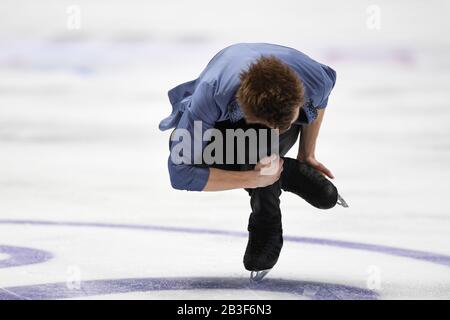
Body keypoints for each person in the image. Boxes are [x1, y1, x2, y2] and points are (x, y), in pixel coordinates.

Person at [159, 43, 345, 281]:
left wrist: (306, 153)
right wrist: (253, 179)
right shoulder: (211, 94)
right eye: (271, 125)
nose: (278, 130)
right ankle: (276, 197)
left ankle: (276, 191)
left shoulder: (314, 77)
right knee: (196, 149)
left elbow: (321, 98)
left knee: (261, 148)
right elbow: (180, 172)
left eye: (284, 123)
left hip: (270, 116)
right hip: (225, 123)